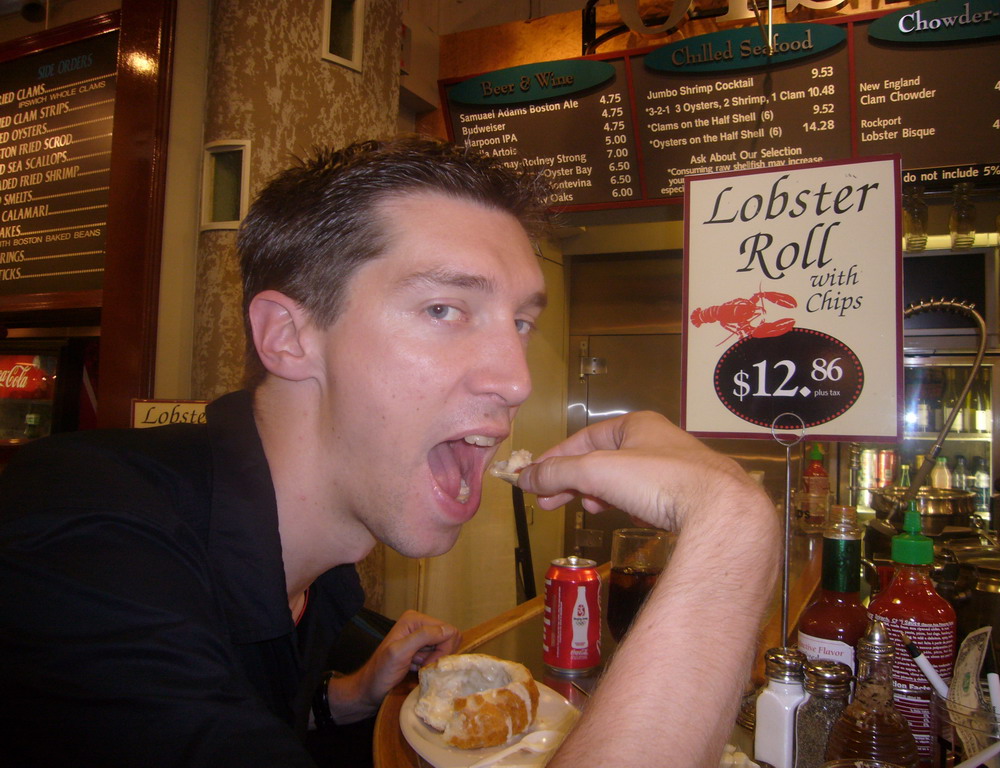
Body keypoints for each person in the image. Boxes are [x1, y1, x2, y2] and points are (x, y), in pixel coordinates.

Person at [0, 136, 779, 767]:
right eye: (444, 308)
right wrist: (734, 527)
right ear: (290, 336)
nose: (514, 380)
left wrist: (340, 699)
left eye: (520, 323)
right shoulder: (75, 533)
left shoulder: (327, 585)